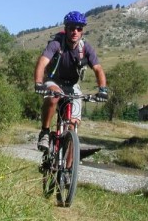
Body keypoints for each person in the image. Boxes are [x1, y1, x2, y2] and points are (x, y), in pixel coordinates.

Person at [33, 11, 108, 152]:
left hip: (72, 86)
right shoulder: (56, 44)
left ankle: (68, 169)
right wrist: (38, 83)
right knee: (54, 97)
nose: (75, 31)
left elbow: (98, 69)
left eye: (79, 28)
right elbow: (42, 63)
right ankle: (45, 132)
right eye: (72, 28)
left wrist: (102, 90)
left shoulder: (85, 48)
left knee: (73, 126)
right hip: (54, 81)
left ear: (82, 31)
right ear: (66, 29)